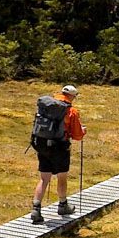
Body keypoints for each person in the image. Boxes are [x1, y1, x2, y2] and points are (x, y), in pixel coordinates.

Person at [29, 84, 85, 223]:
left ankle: (36, 208)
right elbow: (78, 135)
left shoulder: (46, 106)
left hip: (41, 144)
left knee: (44, 178)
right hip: (60, 146)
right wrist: (83, 131)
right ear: (72, 96)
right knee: (62, 177)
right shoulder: (71, 111)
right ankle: (62, 205)